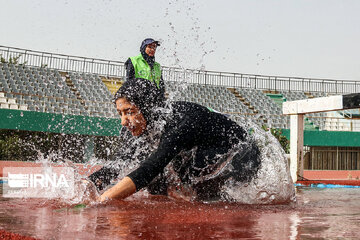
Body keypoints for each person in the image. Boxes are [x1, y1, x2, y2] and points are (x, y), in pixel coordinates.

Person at [88, 78, 262, 202]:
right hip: (204, 151)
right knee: (159, 183)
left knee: (183, 175)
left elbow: (150, 168)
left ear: (148, 108)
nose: (123, 122)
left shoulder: (178, 122)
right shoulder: (135, 128)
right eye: (121, 113)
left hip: (243, 153)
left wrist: (102, 199)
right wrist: (86, 185)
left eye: (129, 112)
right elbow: (118, 165)